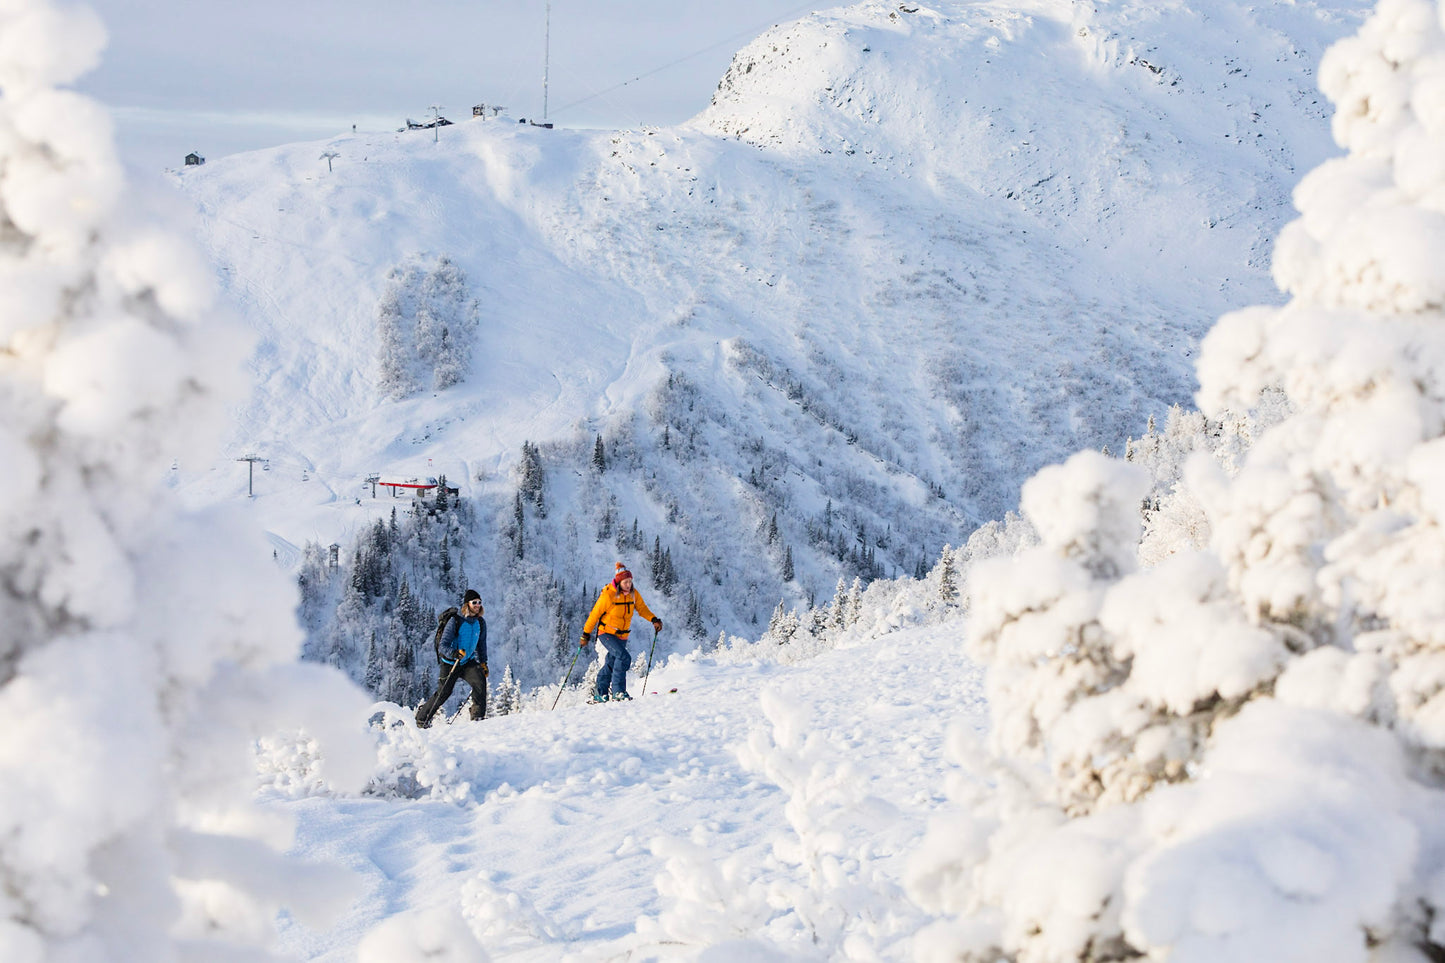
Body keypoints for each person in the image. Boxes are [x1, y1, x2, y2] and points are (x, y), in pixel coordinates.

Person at [581, 562, 662, 702]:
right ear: (619, 582)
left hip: (622, 635)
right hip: (606, 633)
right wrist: (586, 634)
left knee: (611, 663)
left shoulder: (633, 594)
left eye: (630, 581)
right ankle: (619, 692)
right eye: (625, 582)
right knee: (624, 658)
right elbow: (594, 614)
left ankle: (600, 694)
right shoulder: (608, 595)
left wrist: (653, 619)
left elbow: (642, 609)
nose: (628, 584)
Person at [415, 588, 488, 727]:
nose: (478, 605)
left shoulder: (480, 623)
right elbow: (443, 645)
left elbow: (481, 644)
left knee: (480, 682)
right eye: (474, 602)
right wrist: (455, 653)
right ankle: (421, 718)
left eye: (479, 602)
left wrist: (484, 663)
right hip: (451, 663)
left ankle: (477, 718)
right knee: (444, 693)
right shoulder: (455, 621)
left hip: (467, 662)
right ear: (467, 604)